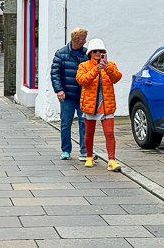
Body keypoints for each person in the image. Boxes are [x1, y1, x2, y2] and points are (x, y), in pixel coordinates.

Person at [76, 38, 123, 172]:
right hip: (91, 104)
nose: (98, 53)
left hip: (106, 103)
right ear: (90, 53)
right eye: (95, 51)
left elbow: (117, 78)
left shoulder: (111, 65)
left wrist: (107, 67)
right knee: (89, 133)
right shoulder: (84, 66)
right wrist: (96, 70)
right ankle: (89, 156)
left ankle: (112, 160)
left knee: (109, 133)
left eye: (101, 51)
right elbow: (82, 80)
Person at [51, 27, 90, 161]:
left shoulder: (86, 54)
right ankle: (66, 150)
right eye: (83, 38)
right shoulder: (61, 53)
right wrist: (59, 90)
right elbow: (55, 73)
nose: (85, 41)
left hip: (83, 95)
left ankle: (84, 150)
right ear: (76, 39)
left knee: (83, 122)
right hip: (67, 95)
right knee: (66, 123)